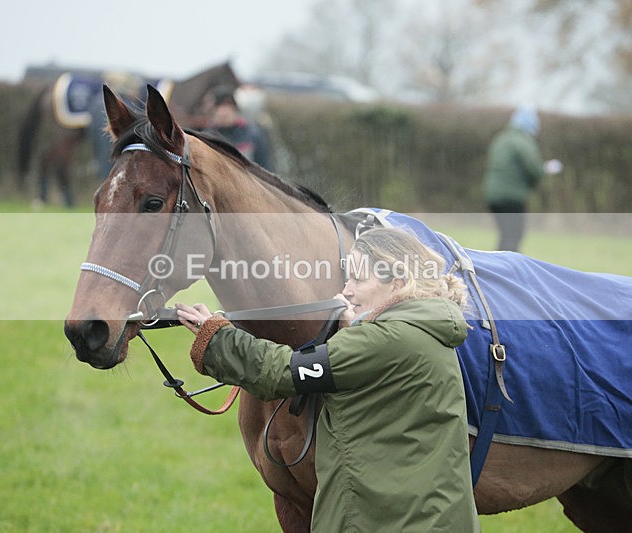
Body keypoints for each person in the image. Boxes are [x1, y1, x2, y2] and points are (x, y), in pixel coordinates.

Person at [176, 227, 480, 532]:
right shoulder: (422, 324)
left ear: (397, 284)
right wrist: (353, 329)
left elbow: (284, 372)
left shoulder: (386, 339)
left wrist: (217, 337)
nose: (346, 291)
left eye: (359, 279)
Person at [482, 106, 563, 252]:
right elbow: (534, 169)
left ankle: (499, 263)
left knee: (506, 235)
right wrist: (546, 169)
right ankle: (506, 266)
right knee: (514, 236)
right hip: (511, 196)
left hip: (492, 195)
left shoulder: (501, 138)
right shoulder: (523, 141)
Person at [204, 85, 275, 171]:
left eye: (228, 106)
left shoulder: (253, 134)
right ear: (214, 111)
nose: (224, 112)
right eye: (220, 107)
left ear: (235, 109)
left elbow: (265, 167)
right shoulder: (208, 138)